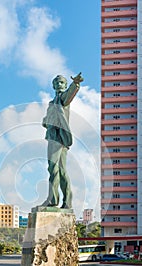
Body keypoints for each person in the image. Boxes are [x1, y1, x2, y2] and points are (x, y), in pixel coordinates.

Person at [41, 73, 83, 209]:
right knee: (61, 170)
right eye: (57, 83)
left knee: (53, 167)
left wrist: (75, 84)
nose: (59, 85)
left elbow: (70, 94)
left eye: (62, 83)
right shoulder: (52, 103)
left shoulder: (62, 99)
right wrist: (46, 122)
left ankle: (52, 200)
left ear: (65, 85)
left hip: (58, 138)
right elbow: (47, 119)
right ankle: (67, 202)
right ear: (53, 86)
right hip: (52, 136)